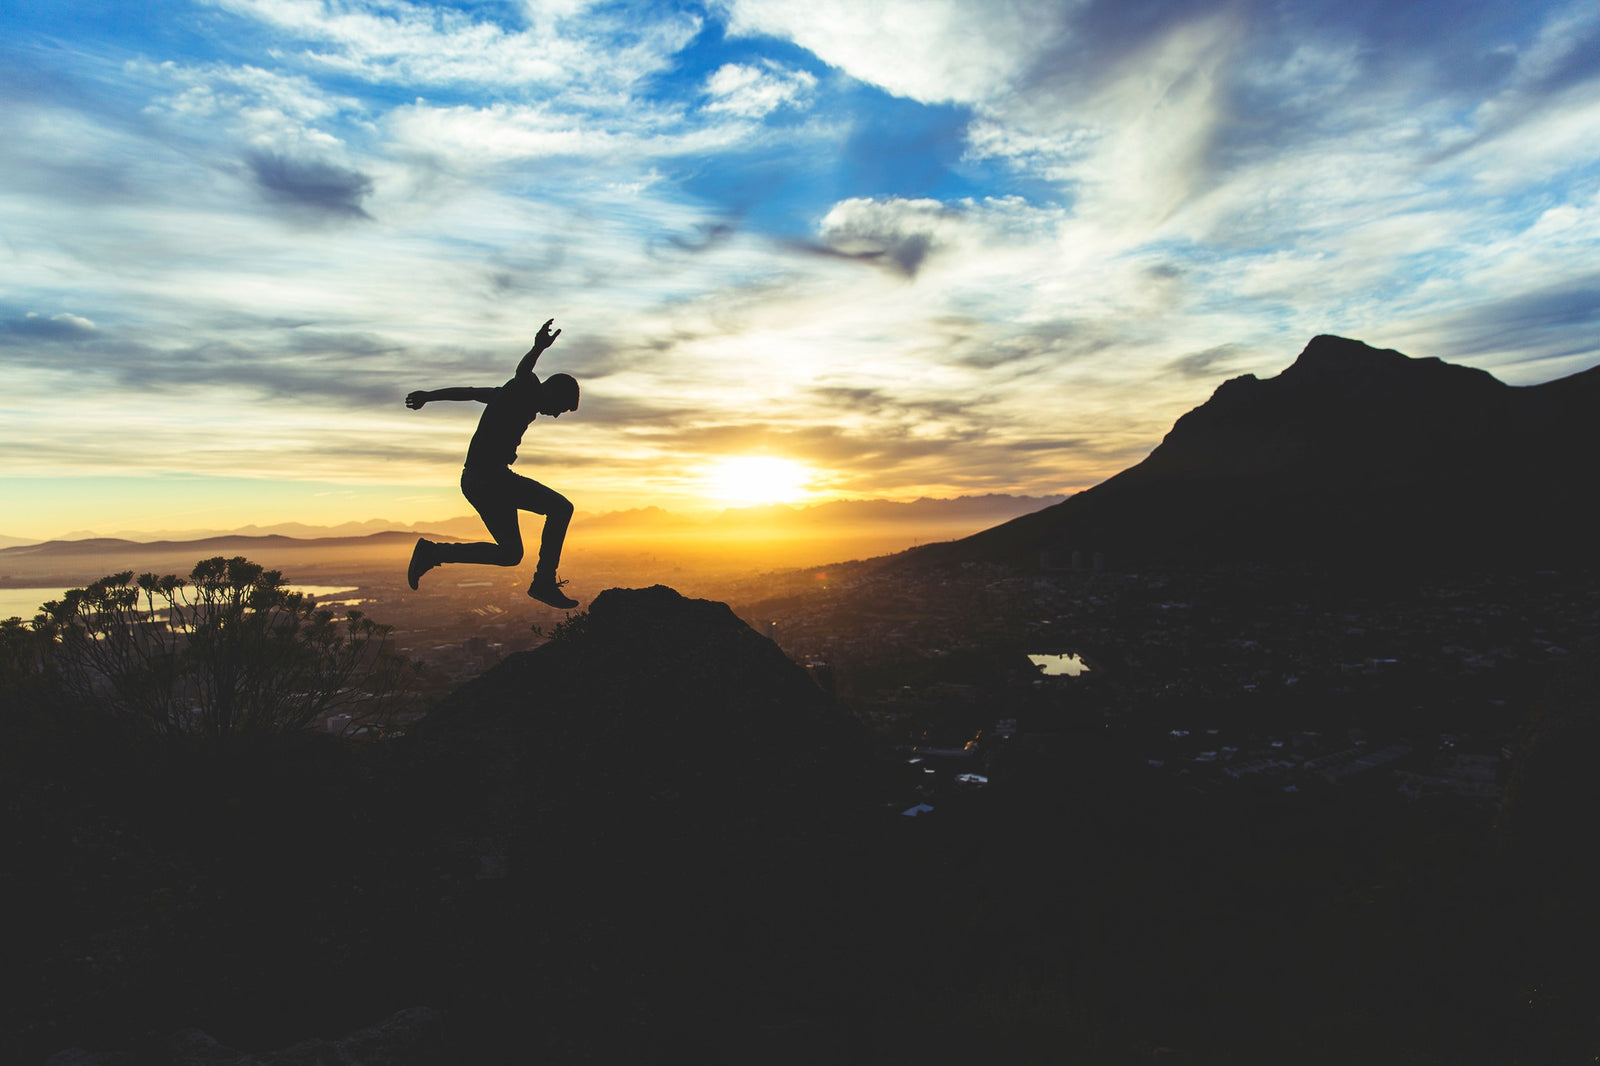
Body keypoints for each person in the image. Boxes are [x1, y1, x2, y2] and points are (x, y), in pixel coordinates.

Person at [404, 318, 581, 609]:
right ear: (552, 392)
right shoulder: (527, 388)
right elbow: (523, 371)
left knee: (511, 554)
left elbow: (471, 393)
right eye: (561, 407)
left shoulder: (510, 395)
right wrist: (537, 348)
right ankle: (543, 583)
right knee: (561, 508)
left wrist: (429, 396)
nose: (557, 415)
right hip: (490, 478)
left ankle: (432, 553)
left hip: (478, 481)